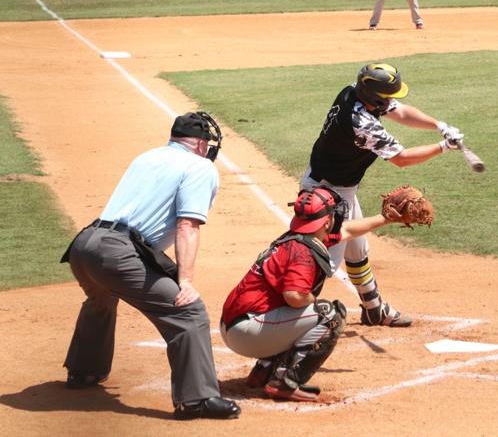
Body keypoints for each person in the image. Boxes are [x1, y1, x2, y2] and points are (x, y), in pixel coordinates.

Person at [60, 111, 241, 421]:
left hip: (84, 245)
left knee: (102, 295)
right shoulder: (199, 167)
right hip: (117, 254)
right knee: (189, 312)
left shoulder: (147, 157)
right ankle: (196, 399)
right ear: (200, 144)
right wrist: (185, 281)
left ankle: (84, 371)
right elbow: (188, 226)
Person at [299, 63, 464, 327]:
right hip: (326, 195)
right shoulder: (361, 123)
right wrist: (443, 147)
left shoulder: (354, 92)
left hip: (339, 187)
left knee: (358, 249)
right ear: (375, 96)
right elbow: (402, 159)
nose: (391, 101)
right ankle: (289, 314)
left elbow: (401, 112)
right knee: (323, 261)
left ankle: (374, 309)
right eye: (387, 96)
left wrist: (439, 125)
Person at [221, 186, 405, 401]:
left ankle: (262, 372)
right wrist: (312, 301)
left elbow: (349, 230)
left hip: (238, 324)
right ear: (326, 221)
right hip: (248, 332)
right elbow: (295, 296)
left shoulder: (298, 237)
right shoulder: (303, 253)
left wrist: (385, 219)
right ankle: (285, 382)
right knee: (329, 314)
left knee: (295, 314)